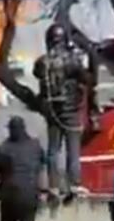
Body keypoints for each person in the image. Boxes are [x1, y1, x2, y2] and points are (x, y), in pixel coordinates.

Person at [34, 23, 93, 199]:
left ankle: (53, 186)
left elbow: (36, 73)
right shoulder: (72, 60)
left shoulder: (42, 62)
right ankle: (74, 184)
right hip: (71, 111)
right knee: (73, 150)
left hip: (52, 110)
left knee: (53, 150)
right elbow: (86, 78)